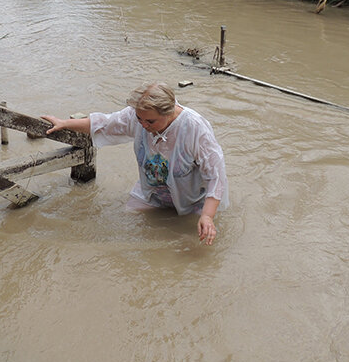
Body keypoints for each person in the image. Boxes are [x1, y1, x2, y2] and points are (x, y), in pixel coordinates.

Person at [42, 82, 228, 246]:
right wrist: (65, 123)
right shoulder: (139, 116)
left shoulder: (195, 128)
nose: (143, 125)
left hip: (192, 198)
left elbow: (215, 175)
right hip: (153, 192)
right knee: (132, 223)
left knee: (186, 238)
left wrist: (207, 216)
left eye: (150, 121)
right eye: (139, 119)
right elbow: (106, 123)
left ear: (169, 112)